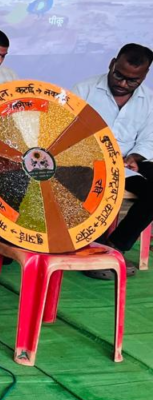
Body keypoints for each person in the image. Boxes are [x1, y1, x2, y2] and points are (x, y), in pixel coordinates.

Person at [72, 43, 153, 279]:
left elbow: (149, 138)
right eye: (119, 75)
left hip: (128, 160)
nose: (123, 84)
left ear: (144, 76)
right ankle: (91, 251)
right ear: (112, 63)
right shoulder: (84, 90)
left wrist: (135, 157)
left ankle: (116, 245)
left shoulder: (149, 100)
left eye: (132, 81)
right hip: (89, 160)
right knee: (98, 185)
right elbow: (67, 132)